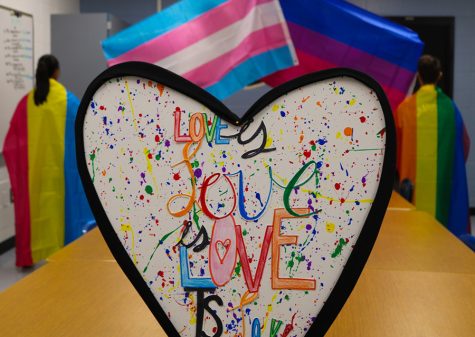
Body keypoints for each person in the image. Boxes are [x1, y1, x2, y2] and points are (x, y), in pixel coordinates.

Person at [2, 55, 94, 267]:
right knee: (65, 211)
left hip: (35, 173)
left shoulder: (26, 103)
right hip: (62, 172)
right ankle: (66, 253)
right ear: (56, 72)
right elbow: (86, 127)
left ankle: (29, 256)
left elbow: (12, 142)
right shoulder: (66, 99)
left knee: (38, 213)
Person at [396, 54, 470, 236]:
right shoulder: (451, 109)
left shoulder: (404, 108)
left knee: (413, 235)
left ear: (419, 76)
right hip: (443, 183)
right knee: (441, 233)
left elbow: (394, 148)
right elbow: (464, 145)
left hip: (411, 185)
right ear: (439, 76)